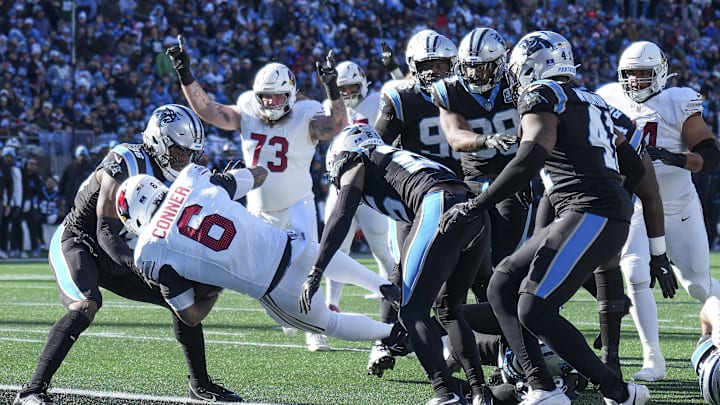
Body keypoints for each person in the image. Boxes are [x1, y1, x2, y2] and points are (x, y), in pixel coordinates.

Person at [439, 31, 649, 405]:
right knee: (502, 283)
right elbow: (634, 166)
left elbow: (532, 154)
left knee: (534, 307)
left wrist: (476, 205)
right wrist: (620, 202)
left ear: (530, 68)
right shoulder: (594, 102)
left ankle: (616, 390)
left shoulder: (544, 94)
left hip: (590, 210)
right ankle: (542, 385)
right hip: (588, 210)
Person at [13, 104, 242, 405]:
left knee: (181, 297)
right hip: (81, 241)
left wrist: (224, 185)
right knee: (86, 304)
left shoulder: (181, 177)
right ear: (159, 142)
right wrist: (142, 268)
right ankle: (32, 391)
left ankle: (200, 385)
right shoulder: (125, 160)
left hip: (121, 249)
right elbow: (106, 230)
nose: (185, 159)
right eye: (179, 152)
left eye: (190, 153)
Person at [115, 165, 408, 376]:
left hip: (274, 286)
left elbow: (190, 316)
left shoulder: (149, 252)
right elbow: (258, 175)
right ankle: (383, 286)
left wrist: (214, 285)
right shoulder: (190, 180)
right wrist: (225, 180)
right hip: (289, 244)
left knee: (330, 324)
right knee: (320, 257)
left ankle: (394, 333)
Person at [167, 35, 350, 353]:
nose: (270, 104)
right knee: (258, 273)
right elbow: (208, 111)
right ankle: (290, 317)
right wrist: (186, 74)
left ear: (291, 93)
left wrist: (332, 88)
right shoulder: (248, 112)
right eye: (265, 98)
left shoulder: (306, 114)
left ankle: (315, 330)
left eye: (277, 97)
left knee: (306, 264)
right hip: (259, 206)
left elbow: (336, 125)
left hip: (296, 203)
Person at [303, 123, 493, 405]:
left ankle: (445, 392)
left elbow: (341, 213)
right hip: (472, 209)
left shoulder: (360, 157)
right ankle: (480, 393)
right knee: (448, 310)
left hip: (439, 204)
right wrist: (390, 284)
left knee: (413, 310)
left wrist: (316, 270)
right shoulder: (393, 160)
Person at [598, 40, 720, 379]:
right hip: (636, 204)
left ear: (661, 72)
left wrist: (675, 158)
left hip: (677, 203)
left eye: (643, 74)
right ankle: (654, 360)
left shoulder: (677, 101)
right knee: (635, 274)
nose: (635, 82)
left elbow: (711, 156)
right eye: (630, 74)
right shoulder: (608, 98)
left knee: (696, 285)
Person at [371, 30, 462, 375]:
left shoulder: (466, 93)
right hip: (415, 197)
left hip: (460, 193)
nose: (436, 71)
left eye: (442, 65)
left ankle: (451, 345)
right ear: (413, 66)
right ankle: (382, 341)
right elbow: (377, 145)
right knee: (402, 270)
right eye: (428, 65)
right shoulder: (401, 97)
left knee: (463, 279)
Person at [431, 27, 526, 302]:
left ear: (499, 63)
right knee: (472, 257)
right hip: (474, 179)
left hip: (515, 178)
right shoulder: (450, 90)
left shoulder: (517, 82)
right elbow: (455, 136)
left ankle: (517, 329)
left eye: (482, 67)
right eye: (470, 67)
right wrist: (486, 140)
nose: (474, 74)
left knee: (509, 258)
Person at [323, 60, 395, 314]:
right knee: (337, 246)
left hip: (372, 184)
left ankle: (395, 299)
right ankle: (331, 304)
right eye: (341, 89)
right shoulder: (331, 106)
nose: (347, 94)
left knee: (380, 245)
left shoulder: (378, 100)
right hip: (341, 183)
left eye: (351, 87)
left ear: (363, 83)